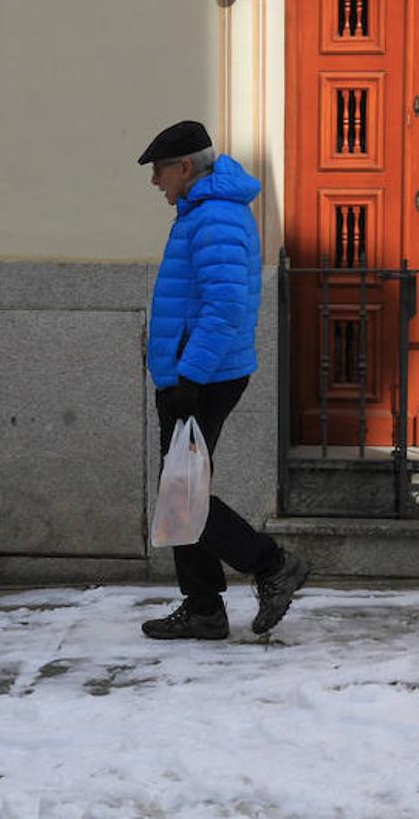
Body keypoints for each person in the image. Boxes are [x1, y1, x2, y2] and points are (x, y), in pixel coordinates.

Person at [137, 119, 310, 640]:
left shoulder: (214, 218)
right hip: (194, 375)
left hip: (205, 378)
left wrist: (189, 376)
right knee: (181, 490)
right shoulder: (202, 213)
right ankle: (206, 608)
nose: (155, 184)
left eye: (159, 172)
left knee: (183, 495)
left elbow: (226, 306)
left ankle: (272, 565)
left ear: (185, 167)